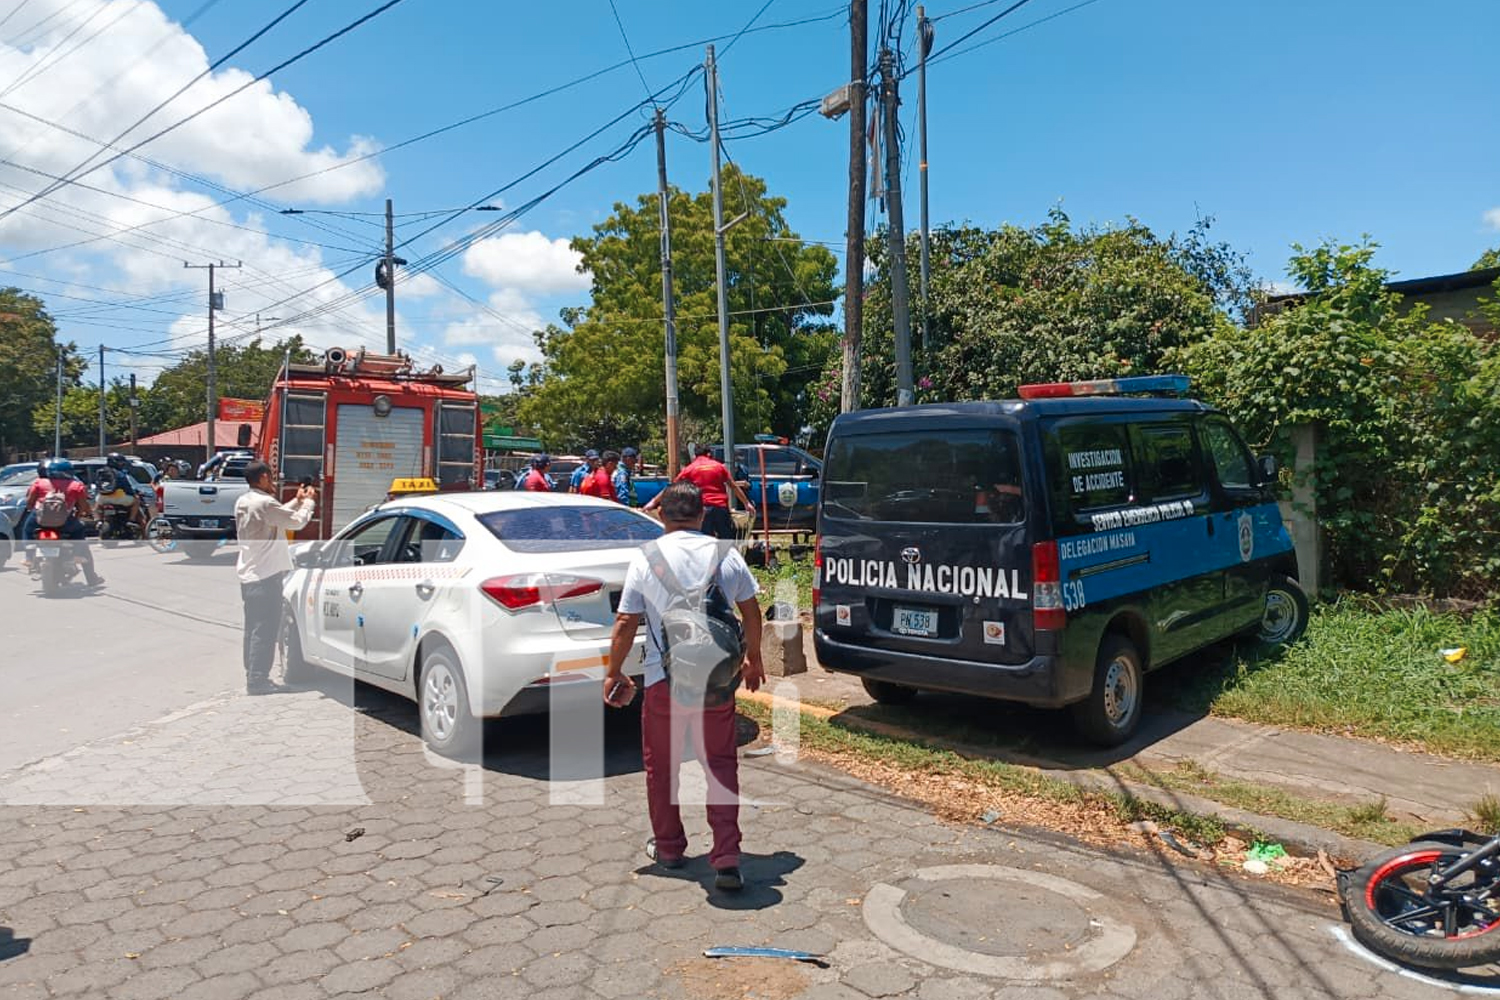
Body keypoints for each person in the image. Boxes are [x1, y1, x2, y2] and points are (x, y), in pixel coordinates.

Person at [602, 482, 764, 891]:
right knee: (721, 765)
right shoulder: (725, 555)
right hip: (718, 679)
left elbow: (625, 623)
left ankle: (670, 848)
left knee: (661, 768)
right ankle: (727, 857)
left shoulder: (647, 558)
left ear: (662, 516)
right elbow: (751, 610)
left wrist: (615, 671)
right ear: (702, 515)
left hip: (663, 681)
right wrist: (754, 659)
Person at [234, 461, 316, 695]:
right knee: (266, 629)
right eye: (269, 477)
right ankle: (258, 681)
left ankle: (252, 674)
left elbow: (276, 515)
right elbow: (296, 521)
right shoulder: (265, 503)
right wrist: (309, 502)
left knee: (252, 628)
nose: (273, 482)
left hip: (249, 573)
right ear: (261, 478)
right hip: (266, 575)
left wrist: (297, 500)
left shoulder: (245, 501)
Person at [645, 444, 755, 541]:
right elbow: (734, 486)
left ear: (695, 456)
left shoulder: (690, 469)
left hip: (703, 510)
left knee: (704, 541)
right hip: (721, 508)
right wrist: (746, 503)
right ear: (709, 454)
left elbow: (671, 488)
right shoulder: (719, 467)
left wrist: (653, 502)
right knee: (726, 542)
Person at [22, 459, 103, 586]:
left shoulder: (39, 483)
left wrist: (35, 511)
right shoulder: (76, 485)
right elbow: (83, 507)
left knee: (27, 529)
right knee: (80, 530)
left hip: (39, 520)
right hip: (65, 521)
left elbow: (29, 503)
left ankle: (28, 557)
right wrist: (79, 515)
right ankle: (86, 571)